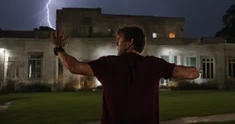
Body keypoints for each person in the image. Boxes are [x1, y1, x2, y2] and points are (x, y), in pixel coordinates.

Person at [51, 26, 199, 124]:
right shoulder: (154, 64)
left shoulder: (109, 63)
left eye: (119, 41)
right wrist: (196, 70)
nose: (117, 45)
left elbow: (74, 66)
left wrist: (58, 49)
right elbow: (190, 73)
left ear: (129, 42)